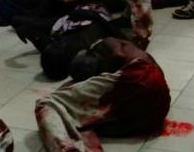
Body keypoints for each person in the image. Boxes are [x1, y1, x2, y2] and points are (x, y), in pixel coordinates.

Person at [35, 37, 171, 152]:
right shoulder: (128, 51)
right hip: (153, 112)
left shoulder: (111, 49)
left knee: (46, 104)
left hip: (142, 84)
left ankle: (65, 147)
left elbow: (117, 56)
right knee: (80, 114)